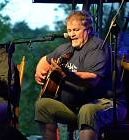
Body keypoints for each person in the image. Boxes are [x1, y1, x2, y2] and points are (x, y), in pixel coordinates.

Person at [34, 10, 127, 140]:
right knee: (42, 106)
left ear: (88, 29)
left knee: (87, 110)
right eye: (69, 30)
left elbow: (92, 80)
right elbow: (45, 60)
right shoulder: (66, 48)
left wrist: (66, 74)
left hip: (108, 104)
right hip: (76, 108)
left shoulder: (97, 48)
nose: (71, 34)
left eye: (76, 30)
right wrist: (39, 71)